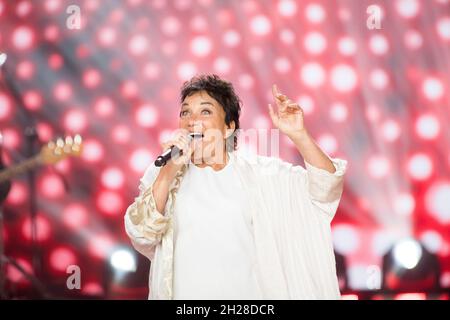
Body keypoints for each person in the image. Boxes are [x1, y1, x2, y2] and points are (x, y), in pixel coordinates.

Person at [124, 74, 347, 299]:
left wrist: (300, 135)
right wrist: (166, 175)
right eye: (185, 112)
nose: (192, 120)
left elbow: (323, 191)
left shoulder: (260, 175)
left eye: (206, 111)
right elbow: (140, 234)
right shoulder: (165, 170)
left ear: (228, 127)